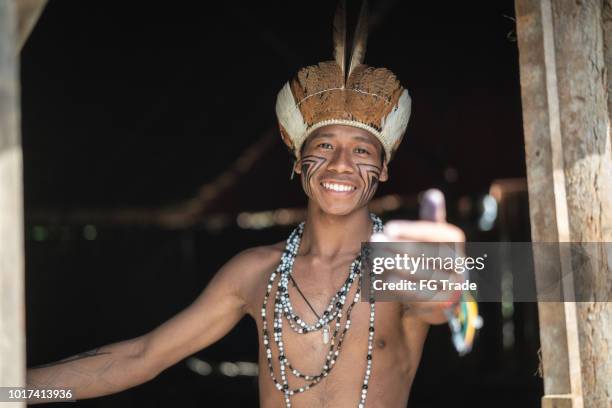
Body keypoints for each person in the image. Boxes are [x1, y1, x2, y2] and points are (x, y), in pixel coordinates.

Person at [27, 2, 465, 407]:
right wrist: (12, 388)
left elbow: (451, 300)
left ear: (384, 169)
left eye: (363, 152)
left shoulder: (399, 264)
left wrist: (447, 276)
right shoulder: (253, 273)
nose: (341, 165)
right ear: (298, 159)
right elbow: (142, 356)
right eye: (325, 145)